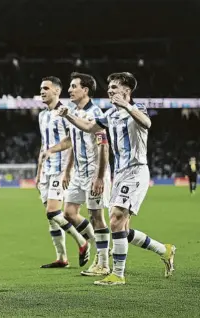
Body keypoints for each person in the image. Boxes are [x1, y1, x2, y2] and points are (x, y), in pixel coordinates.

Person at [58, 72, 176, 285]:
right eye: (109, 88)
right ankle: (164, 250)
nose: (110, 90)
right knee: (122, 228)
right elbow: (89, 127)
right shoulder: (110, 115)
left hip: (136, 170)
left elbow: (147, 123)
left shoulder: (137, 109)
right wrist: (68, 115)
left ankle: (118, 274)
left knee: (114, 219)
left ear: (127, 91)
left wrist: (127, 106)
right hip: (120, 172)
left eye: (114, 87)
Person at [42, 72, 111, 276]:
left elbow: (103, 147)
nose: (70, 90)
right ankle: (95, 246)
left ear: (85, 90)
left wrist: (99, 177)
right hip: (78, 173)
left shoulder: (96, 114)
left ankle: (103, 262)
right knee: (68, 213)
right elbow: (70, 142)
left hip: (93, 174)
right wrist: (65, 167)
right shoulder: (73, 111)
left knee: (97, 216)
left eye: (74, 86)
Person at [36, 76, 89, 269]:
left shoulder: (66, 113)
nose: (42, 91)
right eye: (41, 88)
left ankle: (82, 241)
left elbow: (72, 141)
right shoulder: (42, 116)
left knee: (53, 212)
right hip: (46, 171)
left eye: (46, 88)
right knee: (50, 218)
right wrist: (38, 171)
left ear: (57, 91)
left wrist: (67, 170)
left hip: (60, 169)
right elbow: (43, 145)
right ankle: (62, 258)